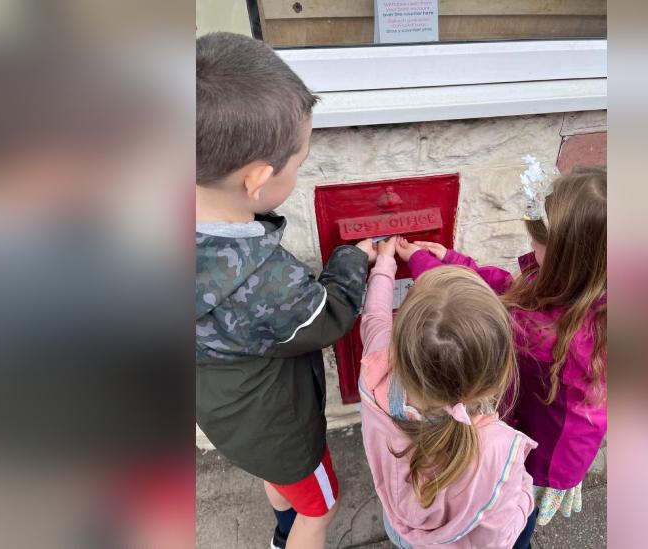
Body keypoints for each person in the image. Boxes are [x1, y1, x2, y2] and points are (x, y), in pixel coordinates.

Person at [194, 32, 376, 549]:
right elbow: (329, 313)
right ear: (257, 179)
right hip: (283, 432)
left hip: (225, 415)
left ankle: (281, 529)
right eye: (299, 163)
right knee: (320, 508)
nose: (300, 170)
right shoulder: (263, 281)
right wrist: (354, 257)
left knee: (282, 488)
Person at [397, 166, 608, 548]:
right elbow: (512, 287)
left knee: (516, 515)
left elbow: (480, 312)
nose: (530, 251)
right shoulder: (595, 294)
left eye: (538, 246)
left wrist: (426, 268)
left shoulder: (547, 335)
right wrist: (452, 258)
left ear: (567, 260)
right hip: (548, 424)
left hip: (544, 456)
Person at [359, 236, 537, 548]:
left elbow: (374, 318)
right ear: (495, 376)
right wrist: (524, 496)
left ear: (401, 343)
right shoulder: (497, 449)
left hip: (401, 529)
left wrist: (385, 263)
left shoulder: (374, 372)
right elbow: (497, 538)